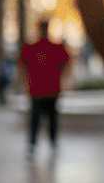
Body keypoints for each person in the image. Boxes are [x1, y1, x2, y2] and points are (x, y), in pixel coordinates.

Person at [17, 19, 72, 160]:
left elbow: (21, 65)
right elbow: (22, 65)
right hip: (40, 90)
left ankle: (44, 145)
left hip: (47, 89)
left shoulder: (50, 47)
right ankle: (39, 145)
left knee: (44, 120)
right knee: (42, 120)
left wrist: (62, 77)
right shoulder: (35, 48)